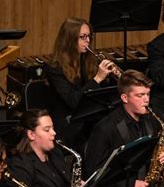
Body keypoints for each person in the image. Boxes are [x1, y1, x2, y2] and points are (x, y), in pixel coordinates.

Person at [84, 69, 164, 187]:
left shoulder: (153, 120)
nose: (146, 100)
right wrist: (131, 185)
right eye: (140, 96)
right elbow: (94, 172)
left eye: (147, 94)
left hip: (146, 186)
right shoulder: (105, 128)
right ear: (124, 98)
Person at [45, 17, 118, 151]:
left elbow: (101, 97)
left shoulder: (88, 61)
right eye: (83, 37)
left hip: (88, 118)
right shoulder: (54, 68)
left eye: (89, 36)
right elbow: (73, 101)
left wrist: (110, 78)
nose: (88, 41)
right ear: (69, 39)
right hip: (69, 123)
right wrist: (97, 78)